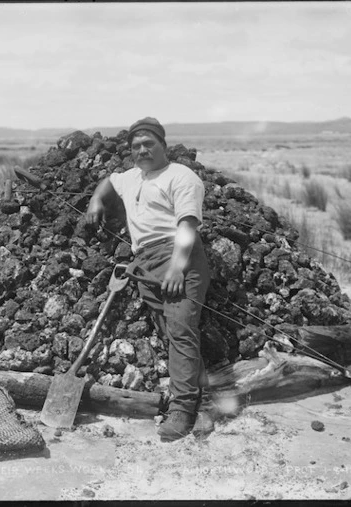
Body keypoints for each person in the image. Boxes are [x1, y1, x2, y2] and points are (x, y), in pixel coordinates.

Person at [86, 117, 214, 441]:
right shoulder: (132, 177)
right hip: (144, 261)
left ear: (163, 146)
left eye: (149, 144)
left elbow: (187, 224)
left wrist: (176, 268)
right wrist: (96, 200)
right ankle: (203, 401)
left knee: (182, 327)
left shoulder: (181, 177)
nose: (142, 151)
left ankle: (183, 411)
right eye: (136, 147)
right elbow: (109, 182)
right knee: (171, 331)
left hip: (179, 255)